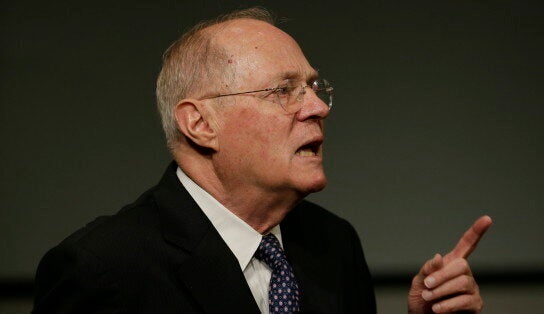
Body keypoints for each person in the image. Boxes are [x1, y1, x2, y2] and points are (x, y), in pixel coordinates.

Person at [33, 7, 492, 314]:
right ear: (200, 124)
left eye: (314, 88)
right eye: (283, 91)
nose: (317, 107)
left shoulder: (333, 245)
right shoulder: (102, 269)